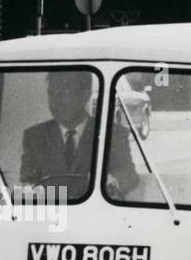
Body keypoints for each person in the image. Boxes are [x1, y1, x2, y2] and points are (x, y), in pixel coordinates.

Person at [19, 70, 138, 201]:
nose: (56, 101)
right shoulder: (35, 136)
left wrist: (111, 182)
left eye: (65, 92)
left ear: (85, 95)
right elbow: (27, 182)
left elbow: (129, 176)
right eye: (52, 94)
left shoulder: (112, 133)